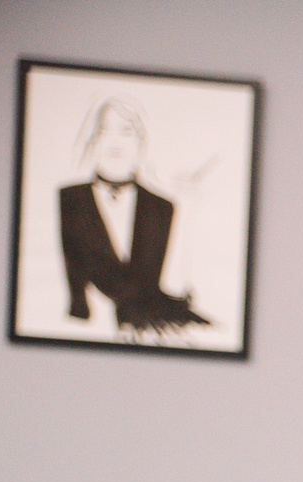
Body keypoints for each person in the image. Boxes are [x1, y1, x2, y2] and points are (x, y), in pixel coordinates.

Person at [59, 97, 209, 336]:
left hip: (150, 332)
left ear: (142, 142)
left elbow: (173, 292)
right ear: (93, 139)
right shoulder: (68, 199)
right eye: (105, 130)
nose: (115, 142)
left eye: (127, 131)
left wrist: (187, 214)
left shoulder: (163, 207)